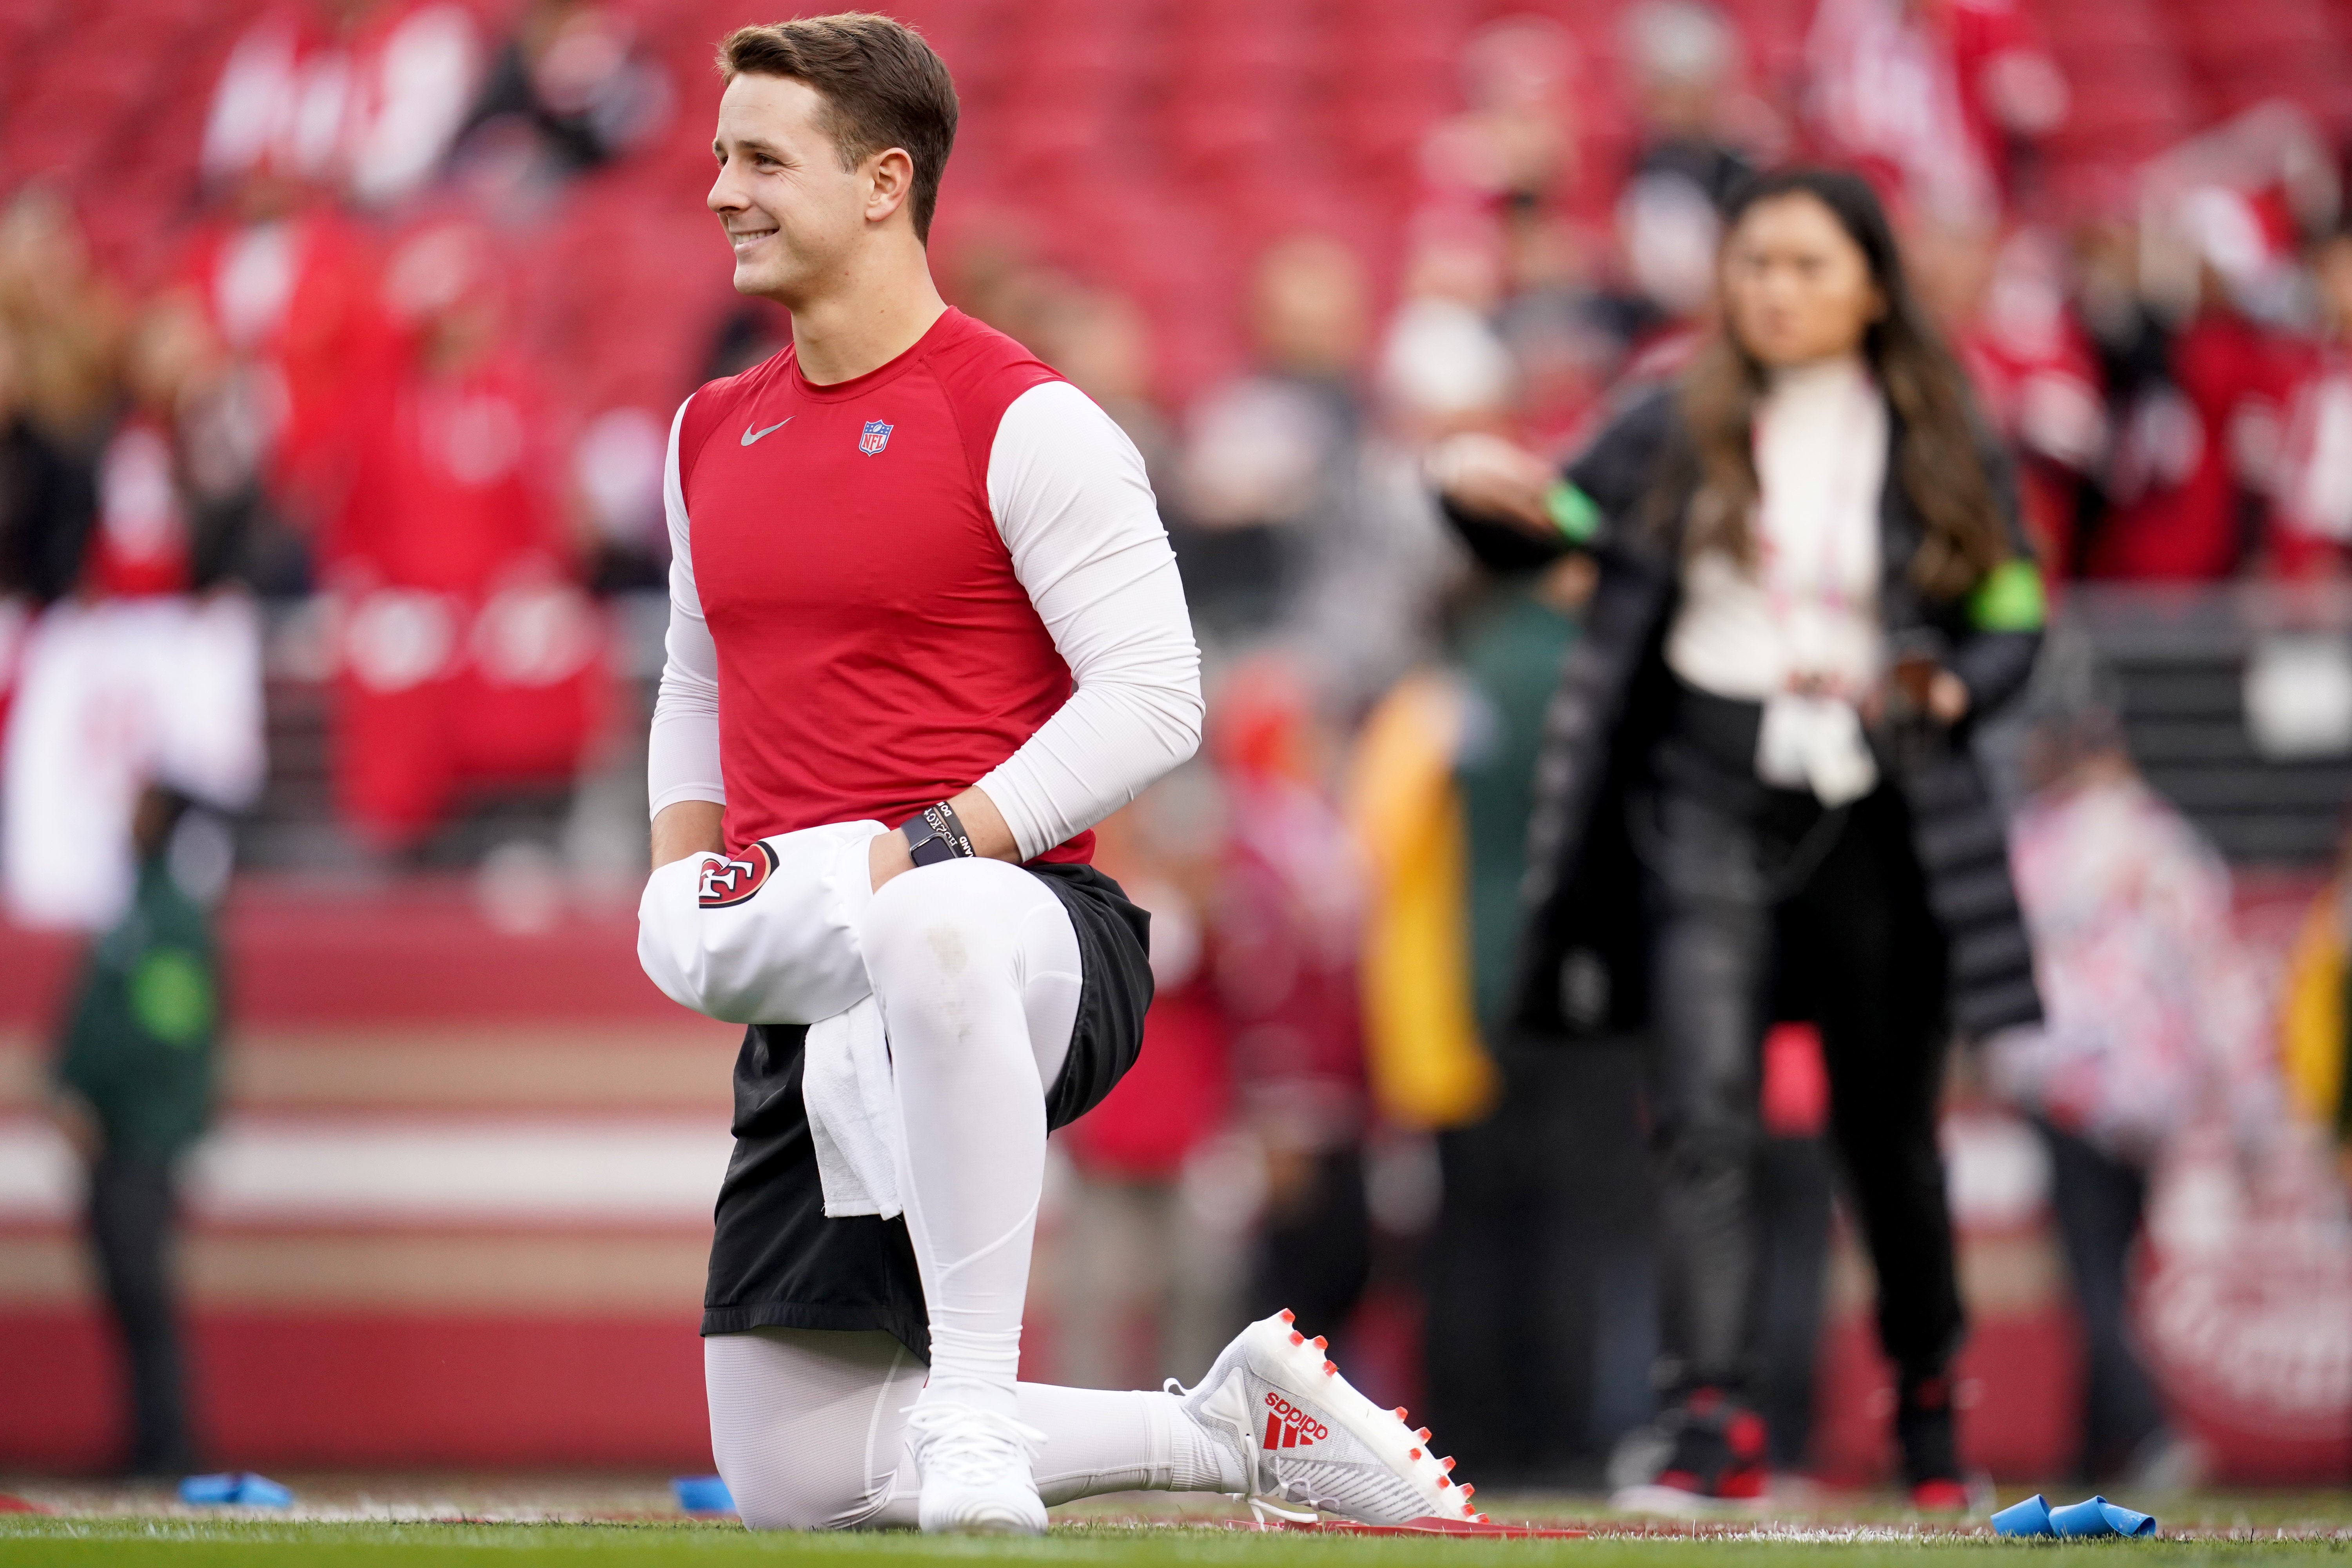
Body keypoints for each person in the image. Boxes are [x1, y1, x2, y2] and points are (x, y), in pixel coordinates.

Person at [637, 15, 1481, 1535]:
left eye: (763, 158)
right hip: (825, 968)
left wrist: (934, 842)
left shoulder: (1023, 415)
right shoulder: (709, 431)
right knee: (790, 1465)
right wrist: (680, 870)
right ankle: (1233, 1430)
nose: (723, 191)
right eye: (719, 157)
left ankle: (973, 1399)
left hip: (1027, 929)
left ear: (885, 181)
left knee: (936, 924)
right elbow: (695, 677)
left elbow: (1158, 696)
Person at [1431, 167, 2044, 1508]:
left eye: (1808, 264)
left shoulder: (1943, 433)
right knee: (1702, 1113)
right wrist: (1491, 497)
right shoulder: (1666, 424)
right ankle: (1711, 1425)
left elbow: (2011, 598)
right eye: (1755, 262)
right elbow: (1568, 525)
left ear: (1873, 285)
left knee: (1888, 1136)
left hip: (1880, 809)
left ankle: (1930, 1409)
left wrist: (1955, 679)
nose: (1773, 287)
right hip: (1703, 794)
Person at [50, 783, 220, 1476]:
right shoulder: (136, 911)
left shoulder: (170, 919)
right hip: (117, 1137)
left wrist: (101, 1099)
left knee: (144, 1291)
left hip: (140, 1139)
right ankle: (146, 1440)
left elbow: (164, 1035)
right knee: (124, 1291)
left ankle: (168, 1444)